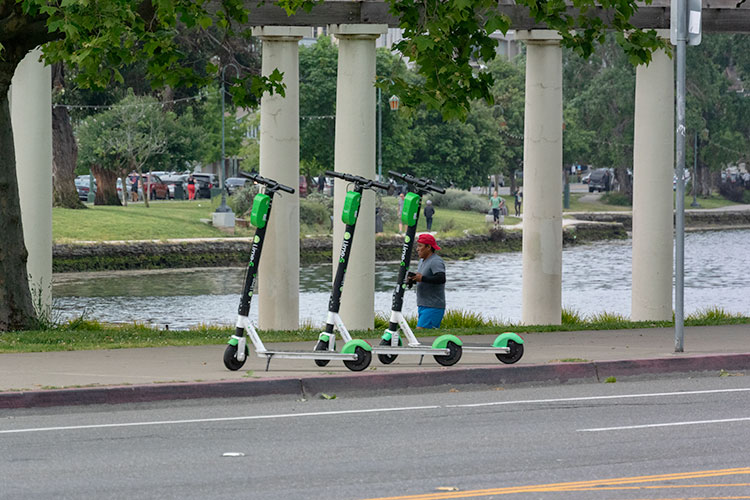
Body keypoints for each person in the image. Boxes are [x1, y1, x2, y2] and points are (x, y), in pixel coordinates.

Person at [407, 233, 446, 329]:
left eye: (420, 246)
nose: (417, 249)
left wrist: (422, 278)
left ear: (428, 247)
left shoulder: (436, 261)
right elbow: (425, 278)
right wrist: (413, 279)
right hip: (423, 305)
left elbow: (441, 278)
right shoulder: (422, 261)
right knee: (424, 335)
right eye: (417, 246)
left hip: (433, 306)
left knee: (420, 333)